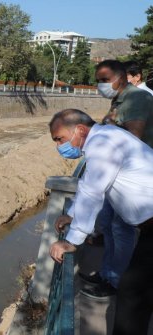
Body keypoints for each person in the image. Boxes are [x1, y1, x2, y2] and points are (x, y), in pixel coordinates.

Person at [48, 109, 153, 334]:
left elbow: (94, 192)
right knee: (137, 291)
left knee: (132, 292)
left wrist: (72, 240)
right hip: (147, 226)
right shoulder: (105, 137)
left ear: (81, 130)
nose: (59, 146)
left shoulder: (103, 144)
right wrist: (73, 215)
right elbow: (88, 182)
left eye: (60, 139)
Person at [72, 59, 153, 299]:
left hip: (131, 180)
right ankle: (107, 273)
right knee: (108, 225)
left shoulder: (136, 98)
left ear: (122, 77)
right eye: (98, 80)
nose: (101, 85)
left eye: (105, 80)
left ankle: (116, 282)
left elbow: (131, 136)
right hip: (119, 176)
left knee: (120, 229)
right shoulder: (119, 100)